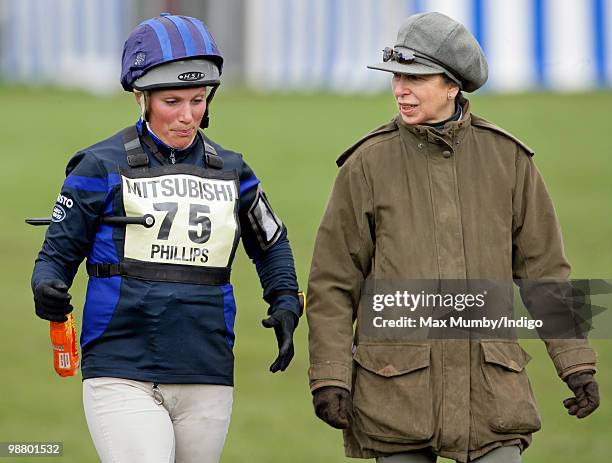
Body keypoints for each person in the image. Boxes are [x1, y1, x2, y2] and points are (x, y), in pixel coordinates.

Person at [306, 12, 599, 463]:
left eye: (416, 77)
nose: (401, 88)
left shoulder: (510, 160)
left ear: (452, 85)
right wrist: (330, 376)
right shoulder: (366, 165)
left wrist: (576, 362)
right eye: (397, 76)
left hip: (491, 394)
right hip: (397, 392)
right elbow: (332, 281)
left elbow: (545, 275)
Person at [31, 13, 301, 463]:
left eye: (198, 100)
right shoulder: (98, 166)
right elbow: (54, 257)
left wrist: (286, 300)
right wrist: (45, 288)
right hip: (121, 367)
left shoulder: (236, 171)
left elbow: (272, 243)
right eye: (172, 101)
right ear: (141, 98)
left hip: (207, 366)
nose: (187, 115)